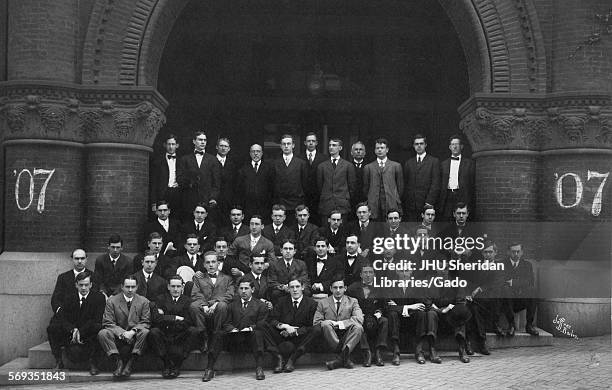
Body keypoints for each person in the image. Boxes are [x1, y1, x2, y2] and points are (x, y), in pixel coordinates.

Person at [202, 278, 268, 382]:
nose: (243, 291)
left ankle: (259, 368)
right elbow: (226, 323)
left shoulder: (260, 305)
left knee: (258, 334)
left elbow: (261, 323)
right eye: (241, 288)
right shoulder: (232, 305)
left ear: (253, 289)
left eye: (246, 288)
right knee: (218, 334)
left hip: (250, 340)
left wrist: (250, 328)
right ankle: (209, 368)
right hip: (234, 339)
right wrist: (232, 329)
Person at [47, 273, 105, 374]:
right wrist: (72, 329)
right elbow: (62, 317)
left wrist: (80, 332)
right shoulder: (69, 297)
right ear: (76, 285)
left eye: (86, 285)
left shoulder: (99, 297)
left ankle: (94, 363)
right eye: (81, 285)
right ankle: (59, 361)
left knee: (99, 328)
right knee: (52, 328)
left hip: (88, 332)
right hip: (71, 332)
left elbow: (97, 318)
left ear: (91, 285)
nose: (83, 288)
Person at [262, 278, 320, 373]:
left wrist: (295, 332)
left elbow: (311, 325)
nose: (295, 290)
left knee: (317, 329)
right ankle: (278, 357)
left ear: (302, 287)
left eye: (297, 286)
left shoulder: (312, 304)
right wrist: (284, 326)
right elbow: (272, 319)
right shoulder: (281, 301)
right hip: (281, 335)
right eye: (292, 287)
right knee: (262, 324)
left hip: (299, 338)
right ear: (288, 289)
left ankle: (292, 359)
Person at [98, 276, 150, 378]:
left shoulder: (143, 301)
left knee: (145, 332)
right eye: (127, 287)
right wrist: (122, 333)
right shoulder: (112, 301)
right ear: (122, 287)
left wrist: (132, 332)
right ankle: (118, 362)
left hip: (135, 336)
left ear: (137, 287)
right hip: (118, 336)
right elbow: (108, 322)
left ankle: (131, 363)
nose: (130, 290)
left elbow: (146, 321)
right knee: (103, 333)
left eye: (133, 287)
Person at [148, 274, 199, 378]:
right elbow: (157, 319)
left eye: (178, 286)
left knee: (193, 331)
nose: (176, 289)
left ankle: (177, 366)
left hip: (180, 334)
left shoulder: (188, 301)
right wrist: (175, 318)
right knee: (154, 332)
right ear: (168, 287)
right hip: (165, 333)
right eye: (173, 286)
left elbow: (188, 321)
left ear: (182, 287)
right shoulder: (160, 299)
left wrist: (166, 318)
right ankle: (166, 364)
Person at [313, 278, 364, 370]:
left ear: (345, 288)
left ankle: (340, 359)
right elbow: (316, 322)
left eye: (340, 287)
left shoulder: (352, 301)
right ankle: (345, 357)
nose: (338, 290)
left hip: (347, 334)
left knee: (358, 328)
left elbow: (359, 318)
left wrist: (340, 324)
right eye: (335, 287)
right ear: (330, 289)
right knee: (325, 325)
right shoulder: (322, 303)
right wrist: (327, 322)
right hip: (330, 336)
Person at [465, 239, 505, 355]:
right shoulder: (477, 265)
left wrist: (480, 288)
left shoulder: (499, 266)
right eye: (485, 252)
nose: (488, 254)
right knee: (472, 310)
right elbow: (470, 281)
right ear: (482, 253)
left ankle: (474, 342)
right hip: (477, 300)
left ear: (495, 252)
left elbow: (497, 283)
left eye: (490, 252)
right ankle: (479, 343)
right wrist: (469, 293)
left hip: (491, 301)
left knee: (475, 310)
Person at [189, 251, 235, 351]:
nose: (211, 264)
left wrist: (217, 303)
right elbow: (196, 293)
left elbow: (230, 294)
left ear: (218, 263)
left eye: (213, 262)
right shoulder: (199, 278)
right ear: (204, 265)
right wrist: (204, 305)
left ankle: (216, 337)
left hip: (219, 308)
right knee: (194, 306)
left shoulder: (227, 278)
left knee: (223, 305)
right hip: (204, 307)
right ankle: (203, 336)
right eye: (208, 262)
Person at [346, 263, 388, 367]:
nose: (368, 275)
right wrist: (358, 314)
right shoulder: (352, 288)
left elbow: (384, 305)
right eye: (365, 272)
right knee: (359, 324)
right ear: (360, 274)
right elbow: (348, 305)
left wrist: (379, 312)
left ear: (374, 274)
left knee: (384, 321)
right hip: (360, 316)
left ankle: (378, 352)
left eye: (370, 272)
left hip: (374, 316)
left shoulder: (381, 287)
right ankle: (367, 353)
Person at [177, 130, 221, 218]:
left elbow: (216, 182)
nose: (203, 142)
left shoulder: (213, 159)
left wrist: (213, 198)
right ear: (194, 141)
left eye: (205, 140)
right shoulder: (185, 159)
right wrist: (190, 182)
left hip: (207, 201)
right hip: (189, 200)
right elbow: (179, 178)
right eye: (200, 140)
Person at [501, 242, 539, 336]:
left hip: (520, 299)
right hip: (505, 299)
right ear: (508, 252)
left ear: (522, 252)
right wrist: (521, 282)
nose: (516, 254)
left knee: (532, 290)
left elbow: (530, 281)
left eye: (518, 251)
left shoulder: (527, 265)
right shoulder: (501, 264)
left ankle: (529, 325)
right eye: (513, 252)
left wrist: (513, 282)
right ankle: (511, 325)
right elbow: (500, 281)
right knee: (505, 289)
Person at [317, 138, 357, 225]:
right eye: (330, 145)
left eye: (334, 145)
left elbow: (352, 187)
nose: (331, 147)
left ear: (340, 148)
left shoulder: (348, 166)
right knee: (325, 231)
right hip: (326, 205)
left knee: (342, 231)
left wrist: (345, 198)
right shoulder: (322, 166)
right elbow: (319, 186)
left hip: (342, 205)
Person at [363, 138, 403, 221]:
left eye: (382, 148)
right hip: (374, 203)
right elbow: (366, 188)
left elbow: (400, 187)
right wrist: (370, 198)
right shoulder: (368, 167)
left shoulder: (396, 166)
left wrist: (396, 199)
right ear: (375, 150)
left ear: (387, 150)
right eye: (377, 148)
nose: (380, 150)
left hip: (391, 202)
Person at [402, 134, 440, 221]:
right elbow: (406, 184)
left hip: (426, 204)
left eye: (421, 143)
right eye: (416, 144)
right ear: (413, 146)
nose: (419, 146)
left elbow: (436, 184)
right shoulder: (408, 163)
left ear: (425, 145)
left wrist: (429, 202)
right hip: (411, 205)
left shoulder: (434, 161)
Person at [273, 134, 308, 226]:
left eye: (288, 143)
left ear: (293, 145)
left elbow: (304, 184)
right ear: (280, 146)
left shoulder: (301, 163)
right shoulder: (275, 163)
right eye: (284, 144)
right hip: (280, 203)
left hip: (296, 202)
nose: (286, 146)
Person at [439, 135, 475, 219]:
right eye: (452, 144)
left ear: (461, 146)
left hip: (462, 196)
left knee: (461, 221)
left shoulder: (469, 163)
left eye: (457, 144)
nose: (454, 146)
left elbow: (472, 184)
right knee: (447, 221)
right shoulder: (443, 164)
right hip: (447, 197)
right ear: (449, 147)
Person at [237, 144, 274, 222]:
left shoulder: (269, 168)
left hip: (265, 208)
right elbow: (240, 191)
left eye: (258, 151)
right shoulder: (243, 170)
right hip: (248, 208)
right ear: (250, 153)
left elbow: (272, 190)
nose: (256, 153)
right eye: (253, 151)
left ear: (262, 153)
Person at [51, 249, 94, 315]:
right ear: (72, 259)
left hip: (88, 315)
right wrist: (60, 312)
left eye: (82, 258)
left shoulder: (94, 276)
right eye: (77, 259)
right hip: (67, 315)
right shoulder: (63, 277)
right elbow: (55, 299)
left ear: (86, 259)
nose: (79, 261)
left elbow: (96, 297)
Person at [150, 134, 182, 218]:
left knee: (176, 218)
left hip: (177, 194)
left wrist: (180, 183)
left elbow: (187, 177)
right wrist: (153, 202)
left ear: (177, 145)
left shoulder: (182, 161)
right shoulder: (158, 161)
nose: (171, 147)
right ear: (165, 145)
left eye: (173, 144)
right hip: (163, 194)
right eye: (169, 144)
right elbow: (154, 183)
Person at [302, 132, 327, 223]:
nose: (311, 143)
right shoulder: (299, 157)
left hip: (318, 197)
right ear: (305, 143)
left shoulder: (324, 158)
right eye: (309, 141)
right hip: (303, 196)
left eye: (313, 141)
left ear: (316, 143)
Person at [214, 137, 238, 225]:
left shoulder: (233, 164)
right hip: (214, 200)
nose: (223, 148)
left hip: (228, 201)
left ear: (229, 149)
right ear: (216, 147)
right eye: (221, 146)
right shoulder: (210, 161)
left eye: (226, 146)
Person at [350, 141, 368, 209]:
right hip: (351, 200)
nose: (358, 151)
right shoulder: (347, 166)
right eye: (356, 149)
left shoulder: (369, 166)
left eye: (360, 149)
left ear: (365, 152)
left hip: (365, 200)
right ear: (351, 152)